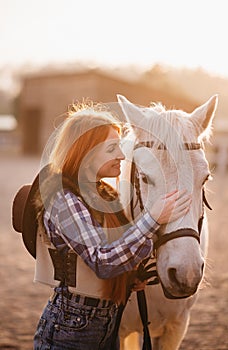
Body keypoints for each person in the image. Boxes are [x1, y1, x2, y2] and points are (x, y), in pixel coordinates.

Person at [14, 101, 191, 350]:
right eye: (111, 148)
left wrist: (130, 276)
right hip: (72, 327)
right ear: (84, 151)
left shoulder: (105, 195)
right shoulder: (61, 197)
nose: (121, 154)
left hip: (107, 323)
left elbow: (117, 248)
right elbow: (102, 260)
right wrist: (153, 219)